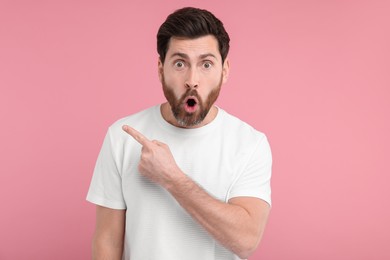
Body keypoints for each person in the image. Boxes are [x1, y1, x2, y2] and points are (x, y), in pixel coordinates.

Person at [87, 7, 272, 260]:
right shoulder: (122, 137)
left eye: (206, 64)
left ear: (224, 71)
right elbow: (107, 242)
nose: (192, 79)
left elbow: (246, 240)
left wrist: (171, 178)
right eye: (179, 63)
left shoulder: (250, 144)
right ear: (161, 68)